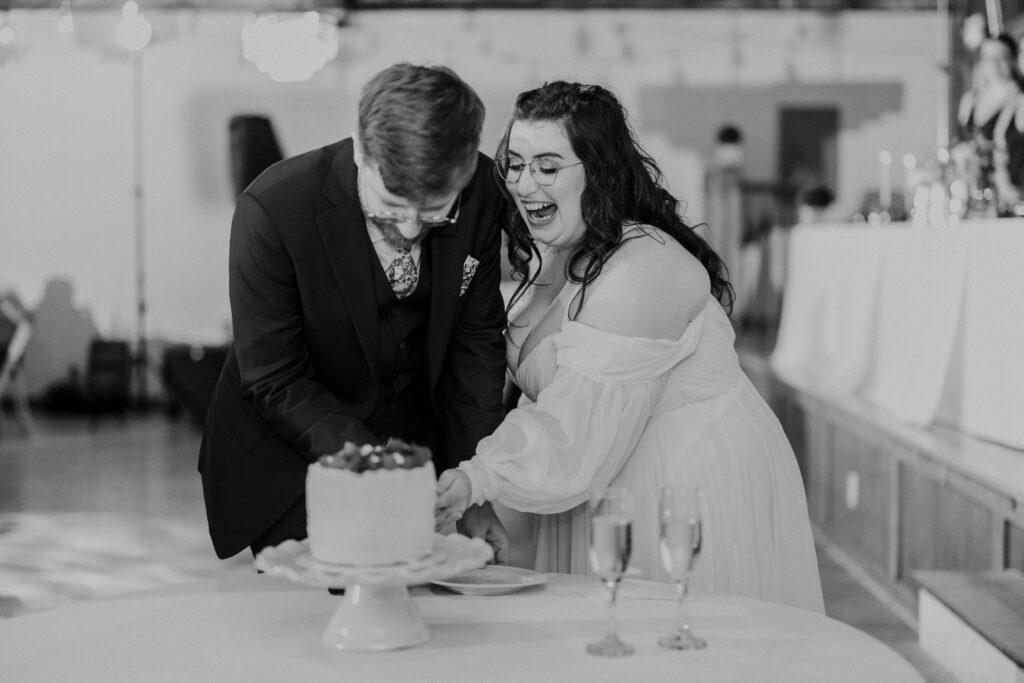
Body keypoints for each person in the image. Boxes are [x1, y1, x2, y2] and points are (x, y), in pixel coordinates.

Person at [435, 81, 825, 613]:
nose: (525, 184)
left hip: (682, 484)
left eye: (548, 166)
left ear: (597, 170)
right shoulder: (552, 252)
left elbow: (573, 428)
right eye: (515, 165)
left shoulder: (641, 269)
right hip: (598, 476)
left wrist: (476, 478)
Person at [198, 63, 510, 563]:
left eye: (434, 213)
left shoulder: (482, 195)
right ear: (361, 150)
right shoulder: (274, 210)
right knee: (323, 614)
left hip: (418, 446)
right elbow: (275, 377)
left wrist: (469, 486)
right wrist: (382, 471)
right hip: (294, 456)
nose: (410, 231)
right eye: (390, 206)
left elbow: (474, 347)